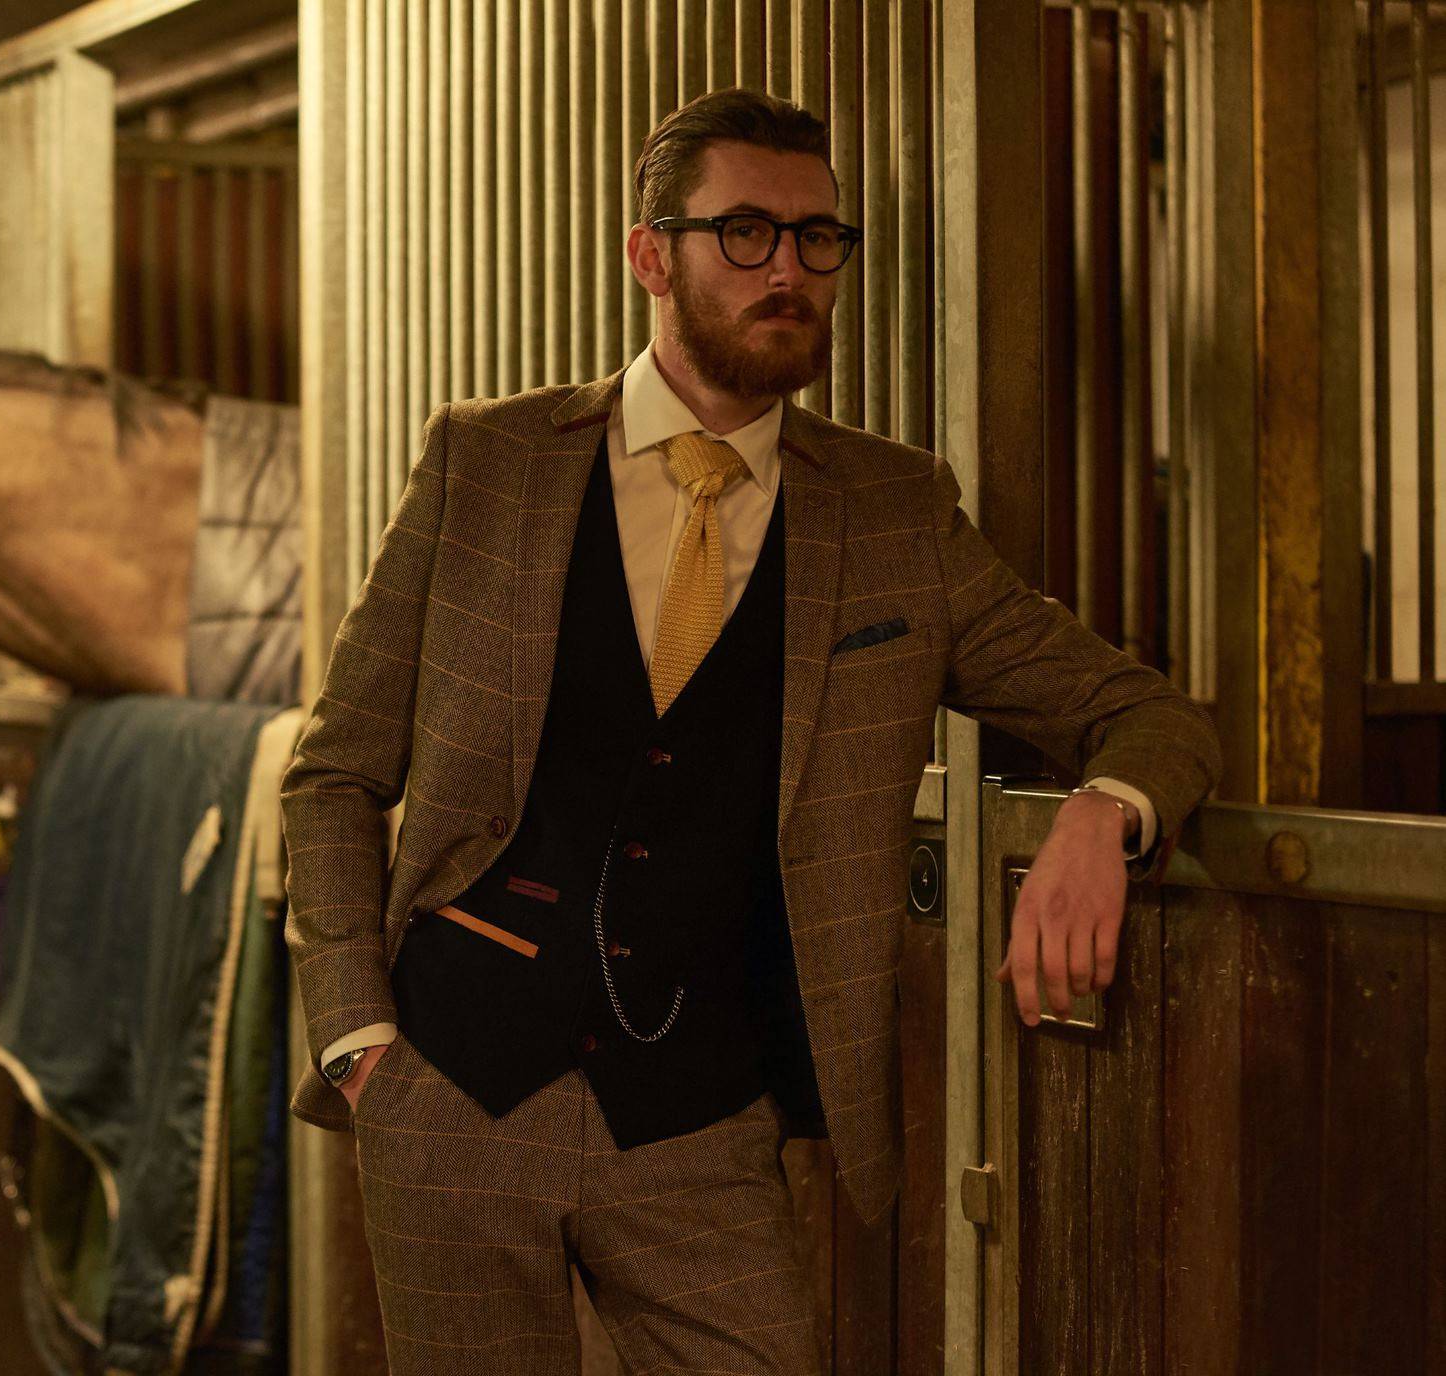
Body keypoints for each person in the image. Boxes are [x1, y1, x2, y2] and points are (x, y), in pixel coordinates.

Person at [279, 86, 1221, 1374]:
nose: (790, 268)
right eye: (747, 234)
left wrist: (1104, 813)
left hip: (699, 1117)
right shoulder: (485, 462)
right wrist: (358, 1041)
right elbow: (334, 770)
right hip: (449, 1083)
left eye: (817, 238)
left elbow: (1142, 711)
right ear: (650, 254)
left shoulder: (894, 514)